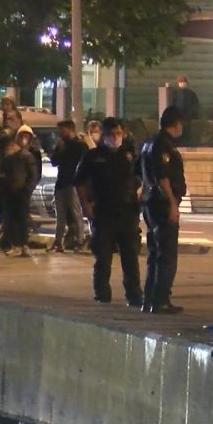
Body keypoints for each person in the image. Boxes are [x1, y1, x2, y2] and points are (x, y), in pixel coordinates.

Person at [76, 118, 143, 307]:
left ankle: (134, 294)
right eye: (112, 135)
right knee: (103, 258)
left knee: (130, 257)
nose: (116, 138)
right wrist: (86, 206)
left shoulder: (129, 154)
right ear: (104, 136)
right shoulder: (93, 156)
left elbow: (143, 177)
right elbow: (80, 182)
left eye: (119, 134)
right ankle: (102, 294)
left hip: (127, 212)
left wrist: (140, 195)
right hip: (103, 212)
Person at [139, 106, 187, 314]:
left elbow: (139, 172)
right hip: (162, 203)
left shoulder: (148, 143)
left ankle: (150, 298)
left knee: (155, 252)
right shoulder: (163, 146)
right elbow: (163, 177)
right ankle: (160, 300)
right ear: (176, 124)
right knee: (166, 254)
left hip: (151, 201)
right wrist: (172, 204)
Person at [50, 120, 87, 253]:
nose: (60, 133)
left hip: (73, 183)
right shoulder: (62, 145)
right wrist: (58, 149)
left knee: (76, 213)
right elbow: (54, 162)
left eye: (62, 130)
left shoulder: (80, 145)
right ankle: (58, 242)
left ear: (70, 129)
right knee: (60, 214)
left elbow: (84, 164)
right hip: (61, 182)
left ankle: (80, 241)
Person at [0, 132, 37, 258]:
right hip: (10, 193)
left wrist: (27, 190)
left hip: (21, 193)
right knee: (13, 220)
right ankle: (18, 245)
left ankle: (21, 245)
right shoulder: (9, 158)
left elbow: (33, 175)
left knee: (21, 219)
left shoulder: (25, 156)